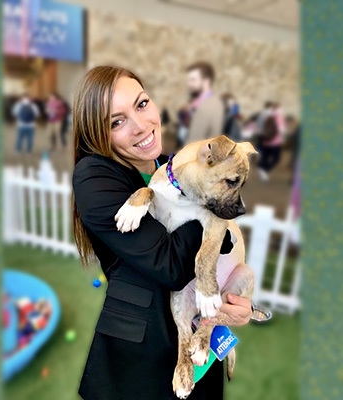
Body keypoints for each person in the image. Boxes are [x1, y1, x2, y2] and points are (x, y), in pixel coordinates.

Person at [71, 65, 253, 400]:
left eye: (141, 104)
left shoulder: (172, 168)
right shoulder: (95, 176)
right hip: (141, 360)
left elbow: (224, 241)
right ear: (98, 132)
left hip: (200, 350)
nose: (141, 126)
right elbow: (169, 264)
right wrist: (214, 217)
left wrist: (235, 303)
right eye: (117, 121)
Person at [182, 61, 225, 147]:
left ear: (206, 81)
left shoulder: (206, 106)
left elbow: (192, 142)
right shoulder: (212, 102)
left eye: (193, 80)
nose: (189, 84)